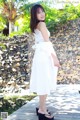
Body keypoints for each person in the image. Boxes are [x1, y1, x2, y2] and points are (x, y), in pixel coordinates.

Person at [29, 4, 60, 120]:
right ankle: (42, 110)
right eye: (38, 12)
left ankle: (41, 107)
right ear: (34, 15)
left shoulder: (36, 25)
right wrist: (54, 58)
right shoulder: (41, 24)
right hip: (44, 56)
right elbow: (47, 43)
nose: (42, 14)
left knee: (43, 81)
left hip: (40, 56)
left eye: (43, 11)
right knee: (45, 82)